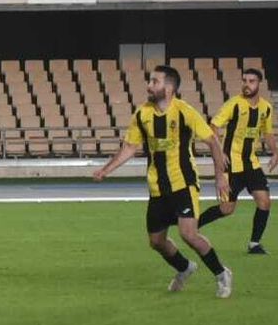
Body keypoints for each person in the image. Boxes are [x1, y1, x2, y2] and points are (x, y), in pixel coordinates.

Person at [93, 64, 232, 297]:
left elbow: (212, 141)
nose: (149, 85)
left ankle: (221, 274)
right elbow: (130, 147)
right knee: (156, 242)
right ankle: (185, 268)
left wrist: (220, 177)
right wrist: (106, 170)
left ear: (168, 88)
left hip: (183, 183)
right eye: (150, 81)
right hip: (157, 187)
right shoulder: (142, 114)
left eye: (154, 81)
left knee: (188, 234)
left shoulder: (184, 111)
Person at [197, 67, 276, 254]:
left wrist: (275, 152)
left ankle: (254, 244)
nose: (246, 85)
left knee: (264, 201)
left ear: (259, 84)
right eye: (244, 80)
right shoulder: (234, 104)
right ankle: (194, 225)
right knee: (226, 209)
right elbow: (214, 126)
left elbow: (267, 132)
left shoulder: (266, 107)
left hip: (251, 163)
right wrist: (218, 151)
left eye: (251, 81)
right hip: (231, 165)